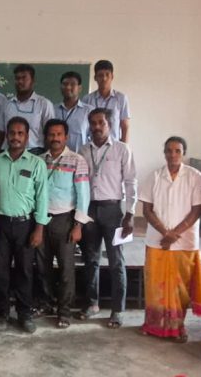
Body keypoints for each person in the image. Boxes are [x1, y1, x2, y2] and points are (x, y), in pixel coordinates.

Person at [139, 136, 201, 342]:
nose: (173, 154)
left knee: (181, 287)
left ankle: (178, 326)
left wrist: (174, 234)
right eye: (169, 150)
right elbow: (147, 210)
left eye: (177, 151)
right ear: (164, 153)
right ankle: (154, 325)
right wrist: (164, 232)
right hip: (157, 240)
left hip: (184, 242)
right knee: (155, 286)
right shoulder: (154, 176)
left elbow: (197, 210)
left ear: (184, 153)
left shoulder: (195, 176)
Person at [78, 108, 136, 328]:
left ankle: (117, 309)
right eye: (93, 123)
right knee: (91, 259)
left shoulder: (122, 149)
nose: (96, 127)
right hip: (90, 210)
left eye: (101, 122)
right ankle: (92, 304)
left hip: (114, 211)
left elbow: (131, 182)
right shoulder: (84, 150)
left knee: (116, 261)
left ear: (109, 125)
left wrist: (130, 214)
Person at [0, 116, 49, 334]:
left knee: (24, 271)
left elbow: (42, 198)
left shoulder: (37, 164)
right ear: (6, 135)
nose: (16, 137)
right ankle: (2, 313)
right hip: (0, 224)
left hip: (26, 225)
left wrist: (39, 228)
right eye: (12, 133)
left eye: (20, 133)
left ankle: (25, 314)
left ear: (27, 136)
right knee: (1, 272)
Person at [37, 119, 91, 328]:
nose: (55, 138)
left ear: (66, 137)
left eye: (59, 134)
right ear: (46, 137)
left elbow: (83, 195)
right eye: (51, 134)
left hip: (65, 220)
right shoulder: (39, 161)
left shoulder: (77, 160)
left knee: (66, 269)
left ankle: (64, 312)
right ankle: (46, 304)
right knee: (42, 266)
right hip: (42, 220)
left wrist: (78, 225)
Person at [0, 64, 55, 155]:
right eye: (17, 78)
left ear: (33, 81)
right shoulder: (7, 104)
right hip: (8, 153)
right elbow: (0, 134)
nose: (20, 81)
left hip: (35, 152)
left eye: (24, 78)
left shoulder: (44, 104)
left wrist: (47, 157)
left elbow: (50, 133)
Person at [82, 60, 131, 142]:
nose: (104, 78)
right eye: (100, 75)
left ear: (112, 76)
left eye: (107, 75)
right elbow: (84, 126)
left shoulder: (121, 98)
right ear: (95, 78)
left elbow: (125, 127)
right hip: (92, 146)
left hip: (114, 146)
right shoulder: (87, 99)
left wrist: (124, 147)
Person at [55, 72, 94, 152]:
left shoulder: (89, 111)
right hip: (57, 157)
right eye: (65, 84)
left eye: (72, 84)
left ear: (79, 88)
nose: (68, 87)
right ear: (61, 87)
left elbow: (94, 137)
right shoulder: (53, 109)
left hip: (81, 156)